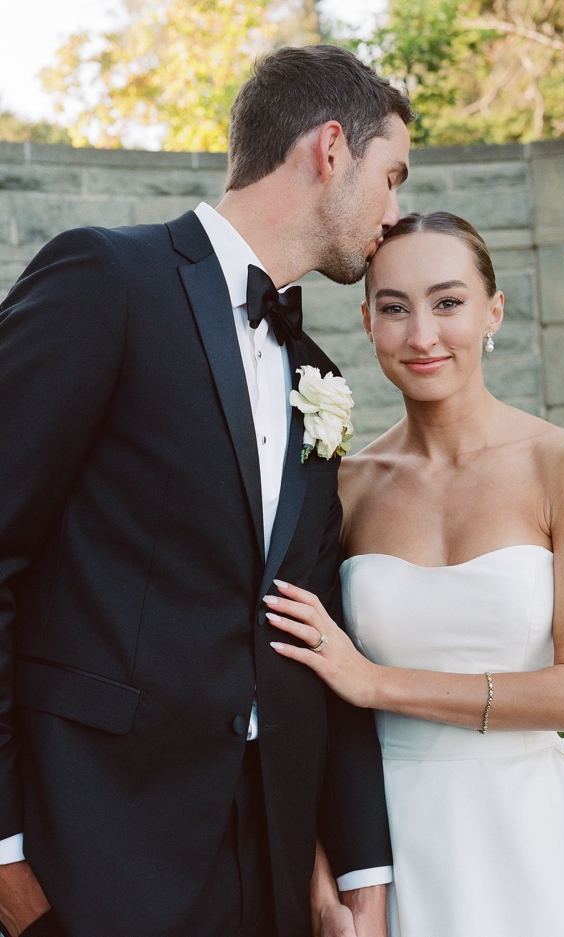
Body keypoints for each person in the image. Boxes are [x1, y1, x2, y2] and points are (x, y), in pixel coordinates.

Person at [0, 45, 409, 937]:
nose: (396, 210)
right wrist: (7, 863)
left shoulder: (318, 375)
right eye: (392, 176)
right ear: (330, 149)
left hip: (267, 868)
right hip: (96, 858)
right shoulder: (105, 279)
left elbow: (315, 627)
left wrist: (362, 865)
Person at [260, 212, 564, 937]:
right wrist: (325, 875)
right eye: (394, 308)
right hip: (386, 850)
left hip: (531, 838)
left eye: (448, 302)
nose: (422, 335)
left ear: (494, 310)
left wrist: (377, 681)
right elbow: (297, 696)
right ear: (367, 321)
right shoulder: (344, 485)